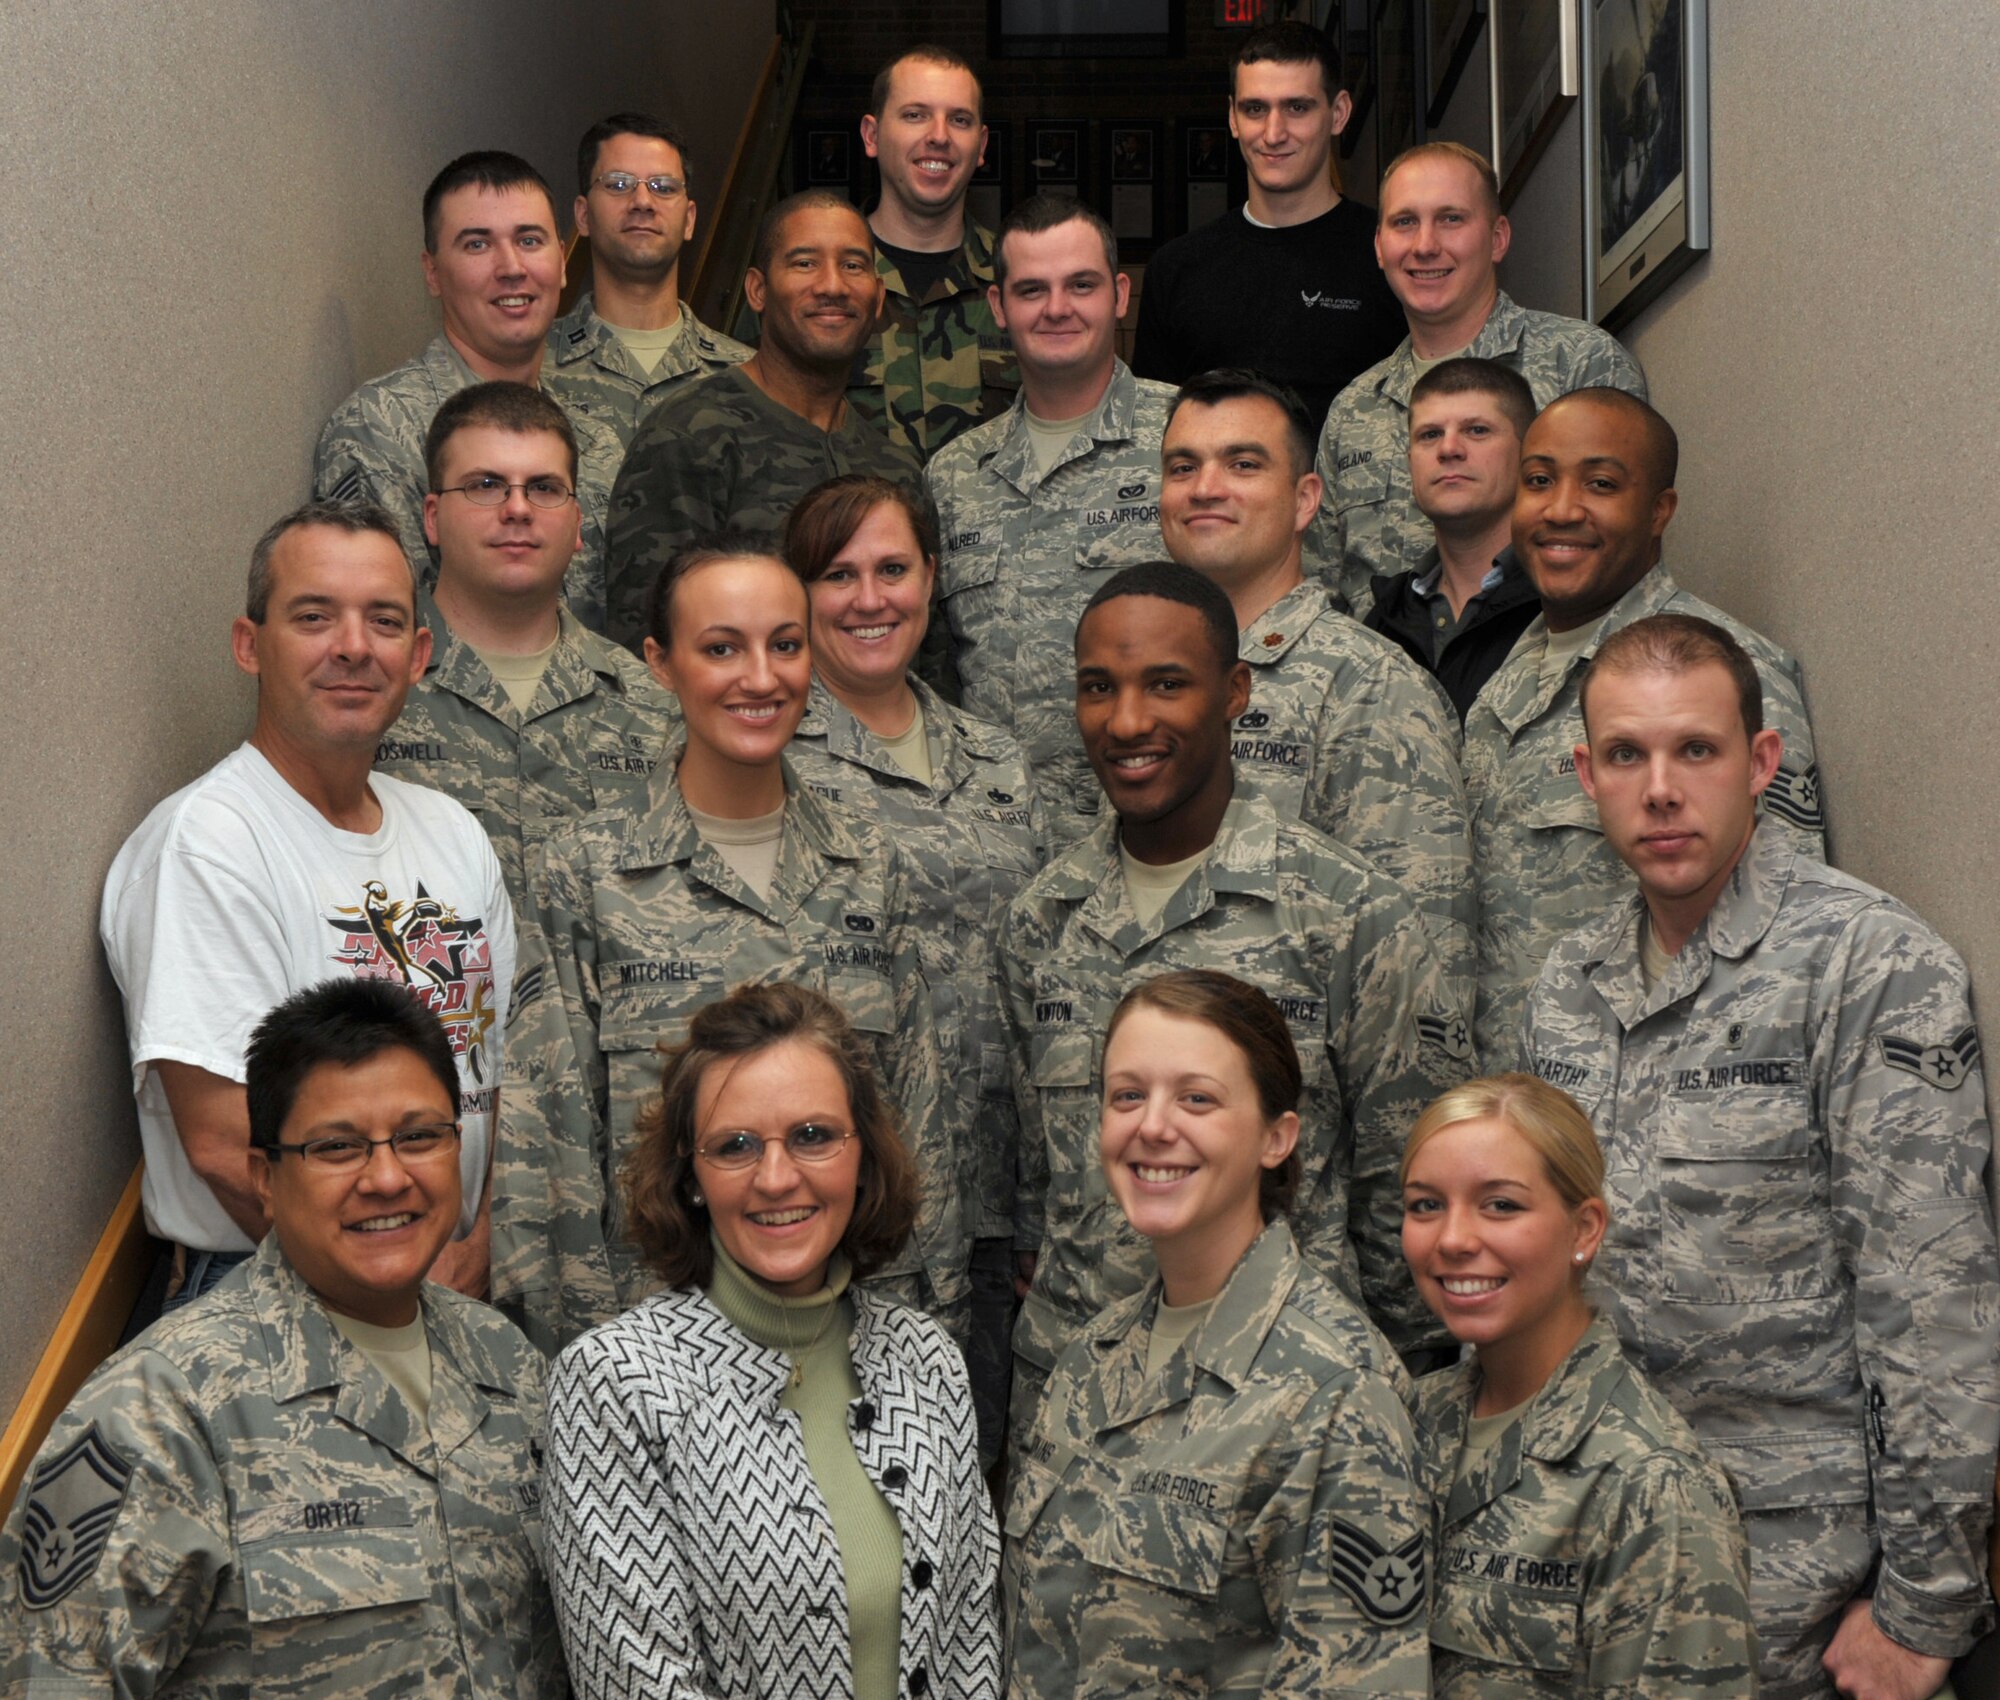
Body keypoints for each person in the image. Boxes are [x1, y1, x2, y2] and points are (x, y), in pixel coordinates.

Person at [1526, 614, 1999, 1700]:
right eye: (1625, 754)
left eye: (1694, 748)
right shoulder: (1567, 983)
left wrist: (1924, 1606)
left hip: (1784, 1576)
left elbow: (1930, 1300)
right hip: (1592, 1539)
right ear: (1585, 776)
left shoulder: (1869, 966)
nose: (1659, 789)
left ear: (1761, 761)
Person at [998, 561, 1474, 1451]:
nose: (1126, 721)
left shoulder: (1346, 915)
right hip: (1076, 1413)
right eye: (1098, 688)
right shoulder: (1043, 922)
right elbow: (1043, 1185)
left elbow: (1411, 1196)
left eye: (1165, 684)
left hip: (1281, 1418)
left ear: (1235, 693)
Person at [0, 979, 565, 1698]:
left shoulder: (510, 1364)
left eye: (419, 1136)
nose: (387, 1177)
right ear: (264, 1178)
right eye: (337, 1147)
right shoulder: (160, 1408)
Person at [496, 537, 963, 1356]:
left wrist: (931, 1331)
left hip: (847, 1333)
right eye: (721, 649)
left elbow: (914, 1112)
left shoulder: (867, 861)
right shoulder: (588, 871)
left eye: (785, 645)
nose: (760, 677)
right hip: (658, 1350)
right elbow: (553, 1143)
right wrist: (586, 1358)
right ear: (660, 664)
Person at [101, 502, 512, 1308]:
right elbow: (226, 1146)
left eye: (383, 621)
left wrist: (477, 1243)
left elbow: (499, 1075)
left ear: (417, 655)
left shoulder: (454, 833)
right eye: (315, 616)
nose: (353, 647)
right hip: (274, 1291)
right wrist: (406, 1291)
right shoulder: (208, 845)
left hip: (455, 1279)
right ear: (250, 645)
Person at [542, 982, 1000, 1700]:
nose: (777, 1178)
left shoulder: (927, 1359)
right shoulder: (614, 1384)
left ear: (862, 1156)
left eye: (813, 1136)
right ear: (691, 1177)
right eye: (735, 1146)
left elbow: (972, 1646)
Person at [1004, 970, 1429, 1699]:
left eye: (1196, 1098)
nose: (1152, 1126)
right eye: (1127, 1095)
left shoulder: (1338, 1396)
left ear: (1276, 1138)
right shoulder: (1090, 1357)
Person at [782, 474, 1044, 1469]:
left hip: (992, 1201)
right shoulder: (775, 756)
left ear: (931, 578)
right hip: (845, 1202)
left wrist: (1037, 1200)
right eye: (837, 574)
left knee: (973, 1479)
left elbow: (1036, 981)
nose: (869, 598)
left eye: (892, 569)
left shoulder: (998, 761)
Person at [1465, 387, 1824, 1062]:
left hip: (1653, 1088)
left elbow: (1783, 924)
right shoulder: (1501, 689)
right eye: (1538, 481)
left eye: (1600, 484)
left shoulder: (1725, 671)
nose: (1561, 508)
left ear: (1660, 510)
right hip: (1521, 1095)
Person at [1401, 1073, 1758, 1696]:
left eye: (1501, 1205)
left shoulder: (1653, 1484)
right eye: (1425, 1205)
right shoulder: (1405, 1420)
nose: (1453, 1239)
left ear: (1585, 1230)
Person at [1159, 367, 1476, 1011]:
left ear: (1306, 501)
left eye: (1243, 464)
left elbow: (1421, 971)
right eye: (1182, 468)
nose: (1205, 488)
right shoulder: (1143, 686)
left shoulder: (1371, 686)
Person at [925, 195, 1177, 840]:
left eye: (1081, 285)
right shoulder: (954, 475)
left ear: (1120, 295)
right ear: (998, 306)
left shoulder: (1189, 440)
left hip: (1149, 828)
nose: (1057, 308)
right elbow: (934, 671)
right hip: (990, 837)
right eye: (1032, 289)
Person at [374, 381, 678, 906]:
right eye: (486, 485)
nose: (517, 508)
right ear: (432, 519)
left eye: (544, 488)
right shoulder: (371, 685)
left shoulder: (651, 705)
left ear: (577, 524)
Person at [1314, 141, 1647, 616]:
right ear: (1380, 247)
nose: (1425, 245)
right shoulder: (1353, 409)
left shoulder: (1579, 365)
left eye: (1451, 218)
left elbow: (1624, 550)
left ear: (1497, 238)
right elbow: (1322, 589)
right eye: (1404, 222)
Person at [314, 151, 626, 632]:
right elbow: (384, 634)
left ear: (562, 263)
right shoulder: (380, 430)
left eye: (529, 240)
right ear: (433, 273)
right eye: (477, 244)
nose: (512, 267)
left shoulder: (597, 439)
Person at [604, 191, 920, 652]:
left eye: (853, 265)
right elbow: (646, 652)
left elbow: (923, 657)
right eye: (805, 263)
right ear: (757, 290)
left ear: (877, 299)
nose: (833, 285)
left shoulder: (894, 469)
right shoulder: (689, 437)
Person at [1131, 21, 1404, 434]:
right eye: (1255, 109)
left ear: (1339, 113)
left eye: (1297, 108)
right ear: (1233, 117)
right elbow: (1154, 434)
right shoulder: (1176, 269)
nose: (1274, 134)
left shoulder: (1391, 254)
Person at [544, 112, 752, 450]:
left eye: (663, 187)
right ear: (583, 216)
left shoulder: (748, 377)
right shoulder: (530, 366)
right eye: (617, 184)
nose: (642, 202)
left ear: (689, 220)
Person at [853, 46, 1018, 458]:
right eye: (915, 115)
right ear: (872, 136)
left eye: (959, 120)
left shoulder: (1022, 279)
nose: (940, 136)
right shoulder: (815, 281)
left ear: (981, 145)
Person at [1364, 357, 1541, 719]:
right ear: (1410, 461)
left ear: (1528, 454)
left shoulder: (1563, 601)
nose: (1448, 449)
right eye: (1430, 434)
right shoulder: (1381, 623)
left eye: (1476, 430)